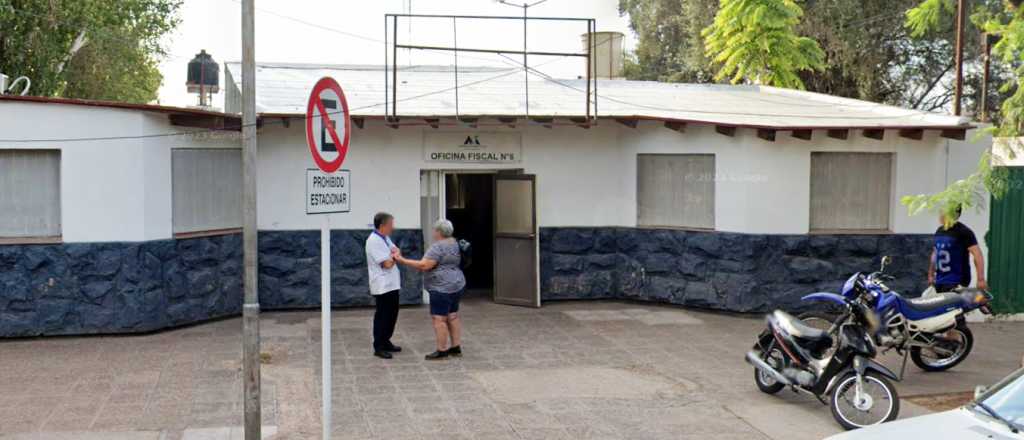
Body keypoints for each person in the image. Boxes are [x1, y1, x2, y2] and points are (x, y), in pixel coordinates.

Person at [393, 219, 466, 360]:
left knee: (439, 319)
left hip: (441, 287)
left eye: (434, 230)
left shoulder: (437, 247)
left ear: (438, 231)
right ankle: (456, 347)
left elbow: (424, 265)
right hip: (457, 283)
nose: (433, 232)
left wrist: (402, 260)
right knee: (453, 315)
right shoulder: (455, 243)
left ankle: (442, 350)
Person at [365, 212, 402, 359]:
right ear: (383, 225)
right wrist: (394, 256)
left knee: (392, 314)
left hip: (392, 283)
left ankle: (386, 341)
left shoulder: (385, 238)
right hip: (382, 285)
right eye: (391, 225)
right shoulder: (373, 241)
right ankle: (378, 346)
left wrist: (394, 255)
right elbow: (387, 264)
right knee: (383, 315)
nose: (393, 227)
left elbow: (397, 250)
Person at [929, 205, 986, 293]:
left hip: (957, 281)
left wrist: (980, 279)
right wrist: (931, 274)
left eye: (942, 212)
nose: (940, 215)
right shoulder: (939, 231)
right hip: (940, 280)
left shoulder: (963, 232)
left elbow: (977, 254)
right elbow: (935, 253)